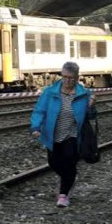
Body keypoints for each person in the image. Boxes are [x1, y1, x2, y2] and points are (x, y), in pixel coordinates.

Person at [30, 62, 96, 208]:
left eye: (71, 78)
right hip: (52, 134)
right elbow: (39, 110)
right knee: (54, 163)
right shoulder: (50, 92)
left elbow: (91, 117)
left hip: (72, 135)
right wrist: (36, 126)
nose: (67, 81)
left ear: (77, 77)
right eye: (65, 77)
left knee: (69, 163)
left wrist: (91, 105)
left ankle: (63, 195)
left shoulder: (84, 94)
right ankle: (68, 179)